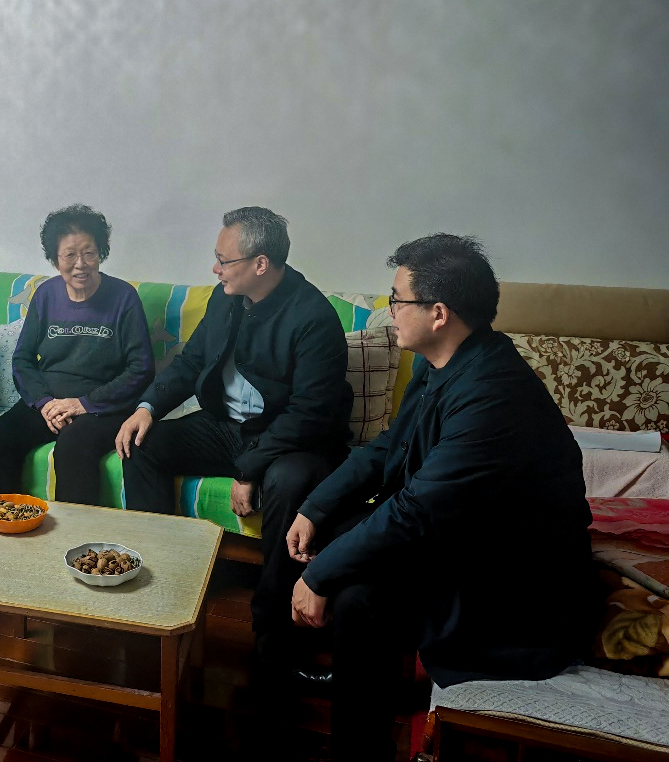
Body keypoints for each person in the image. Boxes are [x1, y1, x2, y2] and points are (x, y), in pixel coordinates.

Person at [286, 234, 598, 761]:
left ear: (438, 313)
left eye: (396, 299)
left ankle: (360, 736)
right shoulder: (443, 361)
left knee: (358, 595)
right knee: (322, 530)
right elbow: (392, 445)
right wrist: (313, 507)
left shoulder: (494, 394)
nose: (389, 311)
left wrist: (320, 576)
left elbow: (417, 511)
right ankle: (347, 671)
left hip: (513, 584)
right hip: (461, 536)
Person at [116, 207, 352, 644]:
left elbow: (309, 414)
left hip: (291, 439)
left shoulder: (313, 317)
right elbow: (191, 362)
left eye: (224, 260)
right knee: (142, 444)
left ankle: (274, 628)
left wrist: (250, 469)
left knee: (287, 483)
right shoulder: (224, 297)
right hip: (225, 426)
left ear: (260, 264)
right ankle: (159, 580)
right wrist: (148, 407)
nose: (215, 268)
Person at [0, 205, 154, 505]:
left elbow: (141, 368)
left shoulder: (123, 297)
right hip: (50, 402)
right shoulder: (46, 295)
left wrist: (84, 403)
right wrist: (44, 403)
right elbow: (22, 360)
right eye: (69, 255)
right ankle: (5, 527)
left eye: (89, 253)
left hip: (102, 406)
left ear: (101, 253)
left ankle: (75, 534)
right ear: (55, 259)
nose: (80, 264)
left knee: (73, 447)